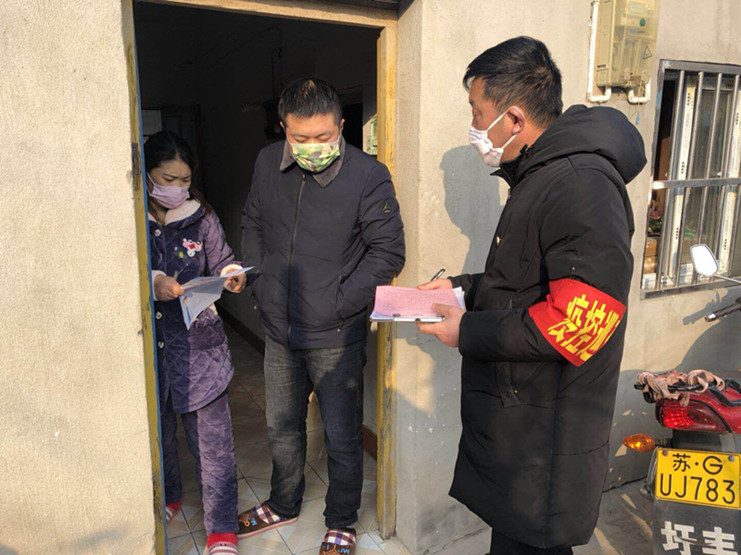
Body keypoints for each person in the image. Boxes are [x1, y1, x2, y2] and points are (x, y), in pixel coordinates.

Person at [417, 37, 646, 554]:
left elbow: (578, 323)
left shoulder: (579, 183)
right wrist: (461, 288)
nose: (474, 126)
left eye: (478, 113)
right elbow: (525, 280)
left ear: (514, 119)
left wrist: (466, 331)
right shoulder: (541, 173)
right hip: (525, 427)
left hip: (547, 441)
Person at [239, 78, 405, 555]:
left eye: (324, 136)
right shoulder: (266, 163)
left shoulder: (368, 175)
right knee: (282, 427)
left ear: (341, 126)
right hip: (279, 328)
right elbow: (253, 222)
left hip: (336, 332)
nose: (313, 147)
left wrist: (338, 302)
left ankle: (341, 522)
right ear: (283, 129)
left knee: (341, 435)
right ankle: (283, 502)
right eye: (301, 138)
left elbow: (388, 251)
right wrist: (258, 278)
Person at [145, 131, 247, 555]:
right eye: (168, 179)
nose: (178, 188)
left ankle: (221, 527)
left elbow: (222, 259)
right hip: (151, 345)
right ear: (147, 174)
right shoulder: (131, 215)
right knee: (158, 434)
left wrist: (232, 273)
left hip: (200, 345)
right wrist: (155, 282)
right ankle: (169, 495)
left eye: (185, 180)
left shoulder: (202, 216)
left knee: (214, 443)